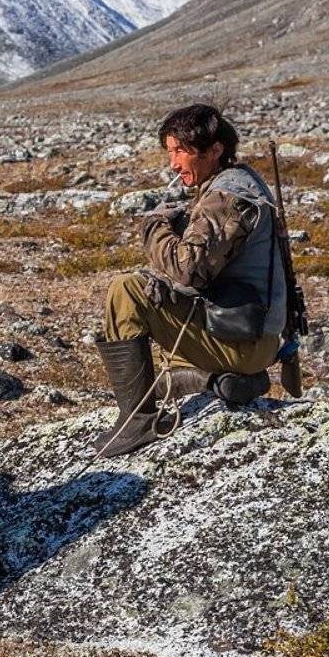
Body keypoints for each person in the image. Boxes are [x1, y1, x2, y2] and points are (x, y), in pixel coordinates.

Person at [94, 104, 288, 457]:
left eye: (180, 151)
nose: (173, 163)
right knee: (159, 373)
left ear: (215, 150)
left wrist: (154, 227)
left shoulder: (227, 197)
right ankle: (224, 382)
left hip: (242, 341)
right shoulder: (243, 182)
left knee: (126, 291)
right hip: (252, 336)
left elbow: (187, 270)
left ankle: (138, 422)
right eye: (170, 152)